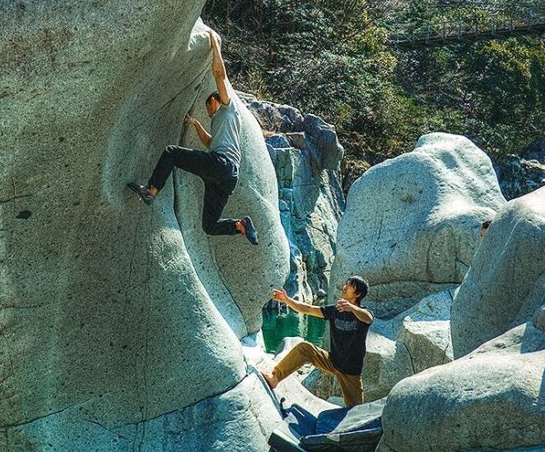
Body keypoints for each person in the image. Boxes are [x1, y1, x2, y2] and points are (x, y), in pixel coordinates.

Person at [126, 30, 258, 245]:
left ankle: (151, 191)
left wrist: (215, 45)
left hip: (221, 165)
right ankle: (239, 226)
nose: (209, 114)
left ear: (213, 102)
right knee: (209, 226)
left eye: (208, 110)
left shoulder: (227, 107)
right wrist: (196, 125)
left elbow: (220, 75)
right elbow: (210, 143)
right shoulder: (226, 125)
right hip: (227, 177)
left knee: (171, 153)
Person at [260, 277, 373, 407]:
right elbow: (308, 309)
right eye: (345, 284)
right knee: (304, 348)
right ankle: (274, 378)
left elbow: (368, 318)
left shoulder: (364, 313)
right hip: (332, 361)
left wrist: (352, 308)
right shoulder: (335, 310)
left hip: (351, 371)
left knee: (357, 411)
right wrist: (287, 300)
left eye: (350, 286)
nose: (345, 287)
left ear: (358, 294)